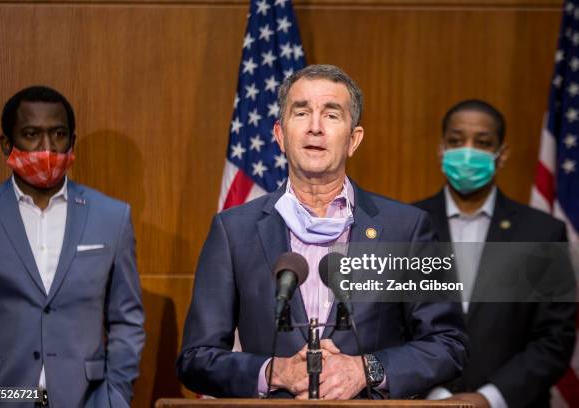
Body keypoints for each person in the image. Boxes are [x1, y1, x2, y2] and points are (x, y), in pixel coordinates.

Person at [177, 64, 468, 399]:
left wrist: (365, 369)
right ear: (280, 135)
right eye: (301, 113)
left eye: (332, 115)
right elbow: (195, 358)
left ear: (353, 139)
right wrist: (272, 372)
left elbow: (449, 344)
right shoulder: (233, 230)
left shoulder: (407, 229)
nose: (315, 128)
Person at [0, 86, 145, 407]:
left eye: (59, 134)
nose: (47, 148)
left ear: (72, 141)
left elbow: (127, 320)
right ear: (7, 144)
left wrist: (114, 397)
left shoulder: (112, 216)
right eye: (32, 134)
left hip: (85, 399)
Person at [415, 99, 576, 408]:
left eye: (483, 142)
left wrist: (490, 399)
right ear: (441, 150)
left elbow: (555, 338)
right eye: (456, 141)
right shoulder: (405, 225)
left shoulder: (542, 233)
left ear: (501, 156)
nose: (468, 151)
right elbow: (389, 326)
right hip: (422, 402)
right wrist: (434, 397)